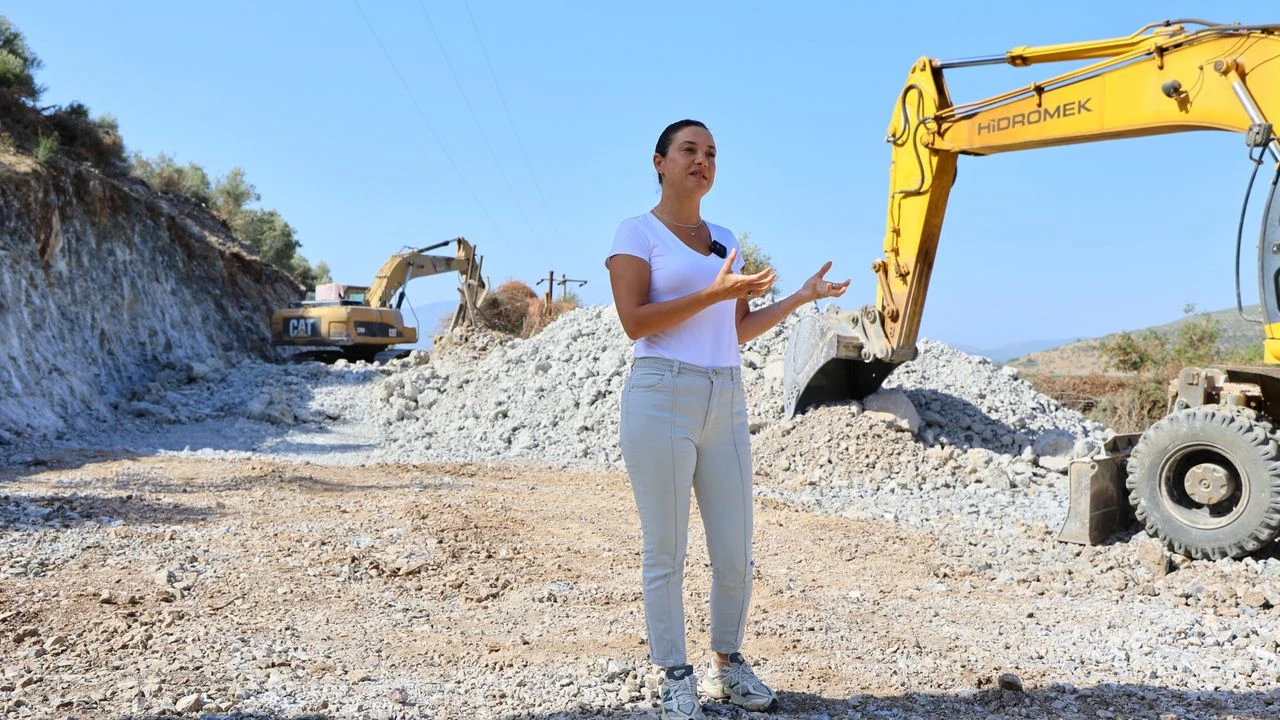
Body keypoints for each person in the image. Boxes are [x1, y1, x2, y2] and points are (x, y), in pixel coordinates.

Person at [605, 119, 850, 720]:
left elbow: (736, 329)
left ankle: (728, 665)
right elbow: (635, 322)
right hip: (661, 393)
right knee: (667, 549)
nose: (702, 160)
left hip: (726, 394)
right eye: (689, 150)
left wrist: (800, 297)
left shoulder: (724, 239)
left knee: (735, 549)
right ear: (659, 161)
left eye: (711, 153)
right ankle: (675, 675)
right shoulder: (636, 233)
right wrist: (714, 294)